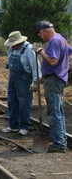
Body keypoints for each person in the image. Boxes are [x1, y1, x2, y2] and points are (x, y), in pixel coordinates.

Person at [34, 20, 72, 153]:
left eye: (40, 33)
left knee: (54, 112)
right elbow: (70, 54)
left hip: (54, 79)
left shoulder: (55, 41)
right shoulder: (62, 39)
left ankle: (59, 144)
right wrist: (64, 66)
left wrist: (40, 51)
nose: (40, 36)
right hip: (59, 78)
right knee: (59, 112)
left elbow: (53, 61)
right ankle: (61, 141)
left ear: (44, 31)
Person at [2, 31, 41, 135]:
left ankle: (24, 126)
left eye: (14, 45)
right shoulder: (11, 49)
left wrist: (36, 82)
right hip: (13, 78)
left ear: (19, 43)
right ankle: (13, 125)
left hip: (24, 80)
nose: (13, 46)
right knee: (11, 101)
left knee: (24, 103)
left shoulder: (29, 49)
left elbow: (36, 67)